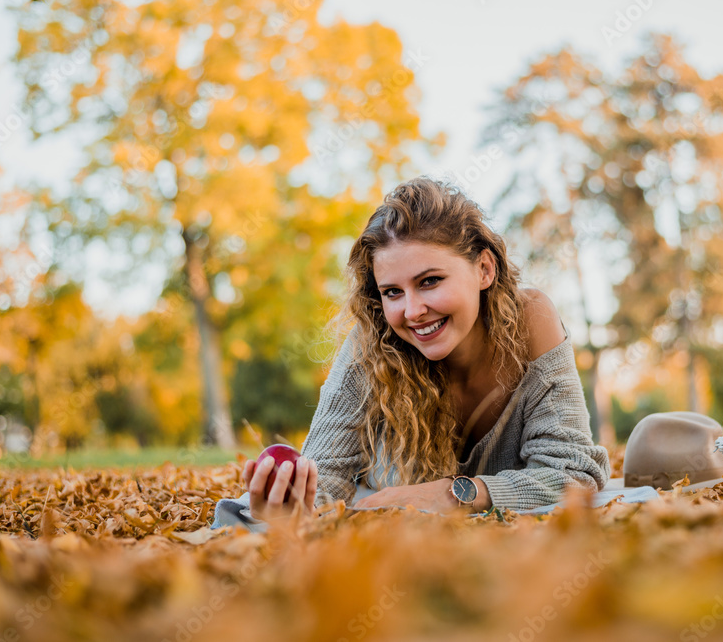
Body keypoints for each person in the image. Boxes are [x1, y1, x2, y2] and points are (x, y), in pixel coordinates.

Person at [242, 176, 612, 523]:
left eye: (430, 281)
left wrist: (454, 495)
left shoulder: (532, 319)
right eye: (392, 292)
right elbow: (324, 477)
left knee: (655, 445)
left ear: (484, 269)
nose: (412, 311)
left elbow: (573, 471)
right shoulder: (371, 342)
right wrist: (293, 505)